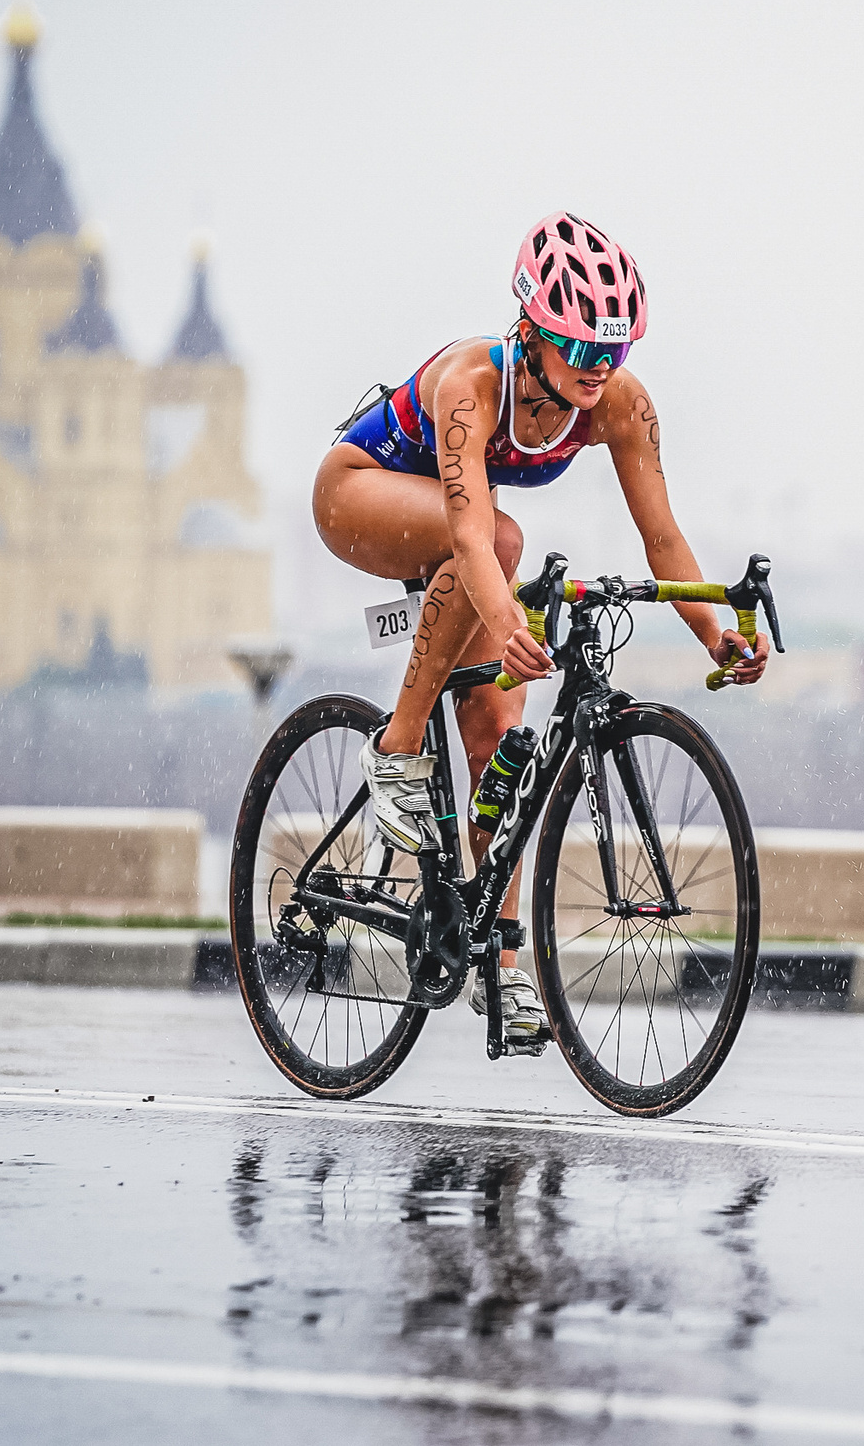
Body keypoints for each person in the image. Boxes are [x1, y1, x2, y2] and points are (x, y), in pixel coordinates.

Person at [312, 211, 771, 1049]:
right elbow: (473, 537)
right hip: (361, 493)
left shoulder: (621, 404)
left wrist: (715, 634)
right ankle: (396, 751)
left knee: (502, 740)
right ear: (532, 332)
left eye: (617, 351)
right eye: (586, 352)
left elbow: (662, 539)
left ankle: (502, 964)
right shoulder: (470, 385)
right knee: (507, 544)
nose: (603, 371)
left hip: (464, 540)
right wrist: (503, 616)